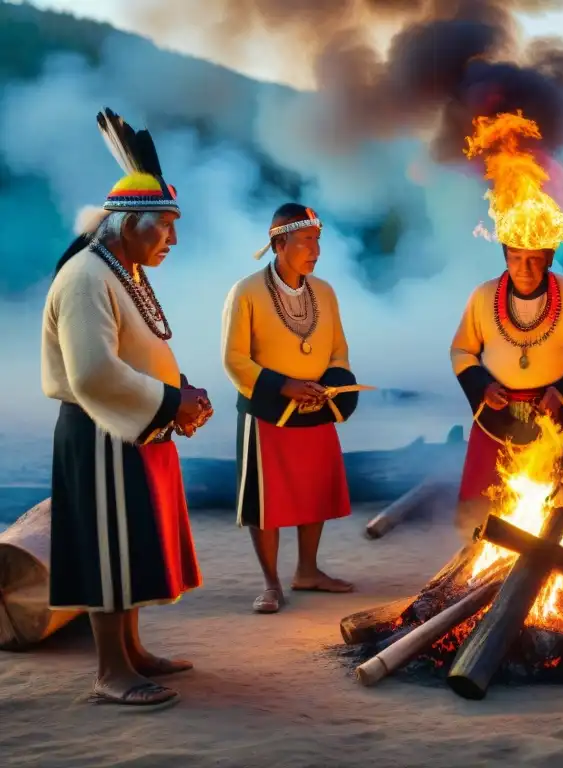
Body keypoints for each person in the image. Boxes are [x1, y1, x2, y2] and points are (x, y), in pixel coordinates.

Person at [42, 108, 210, 708]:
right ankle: (111, 671)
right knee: (110, 553)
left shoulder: (123, 268)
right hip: (102, 435)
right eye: (164, 226)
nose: (173, 240)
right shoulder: (88, 276)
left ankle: (134, 652)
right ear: (127, 223)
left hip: (135, 430)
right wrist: (170, 401)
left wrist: (181, 394)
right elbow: (92, 373)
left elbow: (137, 349)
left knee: (132, 544)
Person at [222, 203, 360, 614]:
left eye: (318, 241)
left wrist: (330, 385)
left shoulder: (325, 291)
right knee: (267, 501)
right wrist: (285, 386)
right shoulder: (245, 291)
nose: (315, 250)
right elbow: (235, 360)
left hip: (316, 404)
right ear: (280, 243)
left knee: (313, 490)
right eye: (306, 241)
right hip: (269, 410)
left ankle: (308, 571)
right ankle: (271, 583)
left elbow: (338, 349)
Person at [450, 240, 563, 526]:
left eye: (534, 259)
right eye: (515, 257)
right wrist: (483, 387)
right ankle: (485, 564)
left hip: (554, 419)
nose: (524, 268)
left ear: (548, 257)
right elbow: (462, 350)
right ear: (505, 257)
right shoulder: (483, 296)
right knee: (483, 512)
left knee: (558, 509)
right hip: (494, 421)